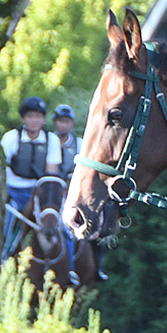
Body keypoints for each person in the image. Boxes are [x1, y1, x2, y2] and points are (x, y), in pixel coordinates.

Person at [1, 96, 64, 270]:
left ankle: (70, 266)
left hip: (39, 192)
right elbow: (1, 169)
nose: (34, 121)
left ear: (43, 119)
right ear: (23, 119)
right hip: (13, 191)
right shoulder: (11, 138)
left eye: (38, 117)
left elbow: (51, 173)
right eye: (30, 116)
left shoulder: (51, 140)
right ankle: (3, 257)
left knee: (62, 223)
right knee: (8, 219)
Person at [52, 103, 106, 281]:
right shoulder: (48, 141)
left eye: (67, 122)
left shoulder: (80, 144)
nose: (63, 125)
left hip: (73, 190)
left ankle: (97, 266)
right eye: (60, 121)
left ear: (72, 125)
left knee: (97, 220)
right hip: (51, 190)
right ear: (55, 123)